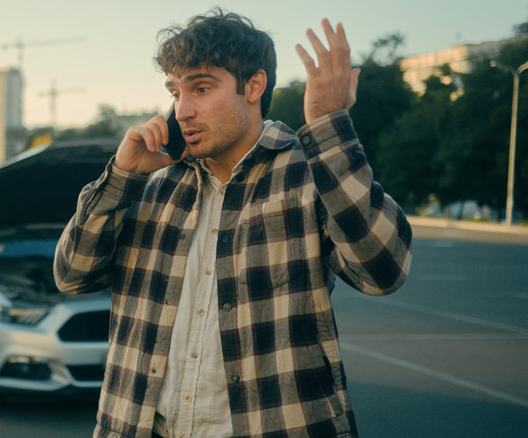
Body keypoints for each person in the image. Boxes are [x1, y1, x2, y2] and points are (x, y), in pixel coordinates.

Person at [54, 9, 412, 438]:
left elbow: (383, 271)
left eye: (201, 88)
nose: (182, 110)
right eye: (174, 92)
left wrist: (329, 127)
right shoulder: (150, 183)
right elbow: (71, 275)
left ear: (254, 86)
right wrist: (120, 177)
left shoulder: (310, 172)